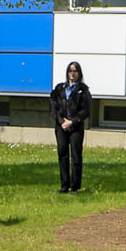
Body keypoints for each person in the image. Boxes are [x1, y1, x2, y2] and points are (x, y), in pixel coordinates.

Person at [51, 61, 90, 194]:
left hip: (76, 127)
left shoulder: (83, 90)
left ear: (79, 73)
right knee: (62, 154)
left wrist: (71, 122)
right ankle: (64, 185)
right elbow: (54, 107)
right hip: (61, 126)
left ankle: (75, 186)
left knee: (76, 156)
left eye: (75, 71)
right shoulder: (60, 88)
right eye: (70, 71)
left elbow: (85, 111)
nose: (72, 74)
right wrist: (62, 121)